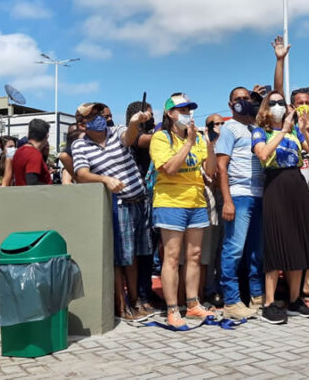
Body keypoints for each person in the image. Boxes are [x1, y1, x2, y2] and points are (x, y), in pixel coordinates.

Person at [72, 102, 151, 321]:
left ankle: (135, 301)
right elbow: (81, 173)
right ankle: (122, 304)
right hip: (118, 205)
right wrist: (105, 179)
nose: (99, 117)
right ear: (81, 123)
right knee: (121, 258)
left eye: (100, 113)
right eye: (92, 115)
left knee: (134, 256)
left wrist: (135, 122)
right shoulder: (80, 146)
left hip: (139, 201)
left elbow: (129, 136)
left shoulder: (116, 132)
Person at [149, 94, 217, 328]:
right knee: (172, 256)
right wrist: (188, 143)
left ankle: (192, 304)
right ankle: (171, 309)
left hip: (196, 201)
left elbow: (210, 170)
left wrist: (208, 143)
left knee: (195, 255)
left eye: (189, 109)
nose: (187, 113)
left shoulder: (197, 138)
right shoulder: (161, 137)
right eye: (182, 109)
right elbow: (169, 169)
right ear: (170, 113)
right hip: (170, 202)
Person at [252, 91, 309, 324]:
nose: (279, 106)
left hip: (297, 184)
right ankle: (269, 302)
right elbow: (262, 154)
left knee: (299, 242)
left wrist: (305, 129)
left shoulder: (295, 131)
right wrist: (282, 131)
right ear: (265, 107)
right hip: (275, 185)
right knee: (276, 242)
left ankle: (294, 299)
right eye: (273, 103)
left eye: (282, 102)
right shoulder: (260, 131)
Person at [215, 87, 265, 319]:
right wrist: (227, 200)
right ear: (230, 103)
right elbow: (221, 167)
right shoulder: (228, 128)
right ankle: (232, 301)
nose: (243, 102)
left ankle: (257, 296)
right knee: (234, 249)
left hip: (259, 193)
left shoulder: (255, 127)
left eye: (246, 98)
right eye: (238, 99)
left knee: (256, 250)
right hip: (239, 194)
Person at [124, 100, 163, 312]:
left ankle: (147, 293)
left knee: (150, 250)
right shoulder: (135, 137)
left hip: (154, 199)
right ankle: (139, 295)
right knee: (141, 252)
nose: (152, 120)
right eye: (148, 116)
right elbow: (150, 141)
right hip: (138, 200)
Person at [201, 114, 224, 308]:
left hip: (229, 198)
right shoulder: (203, 145)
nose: (219, 127)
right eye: (215, 124)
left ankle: (224, 287)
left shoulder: (228, 144)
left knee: (225, 248)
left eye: (222, 123)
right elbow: (210, 175)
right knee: (211, 248)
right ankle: (209, 290)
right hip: (211, 201)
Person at [12, 119, 53, 186]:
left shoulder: (19, 151)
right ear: (47, 136)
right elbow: (32, 182)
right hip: (36, 195)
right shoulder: (34, 154)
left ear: (28, 134)